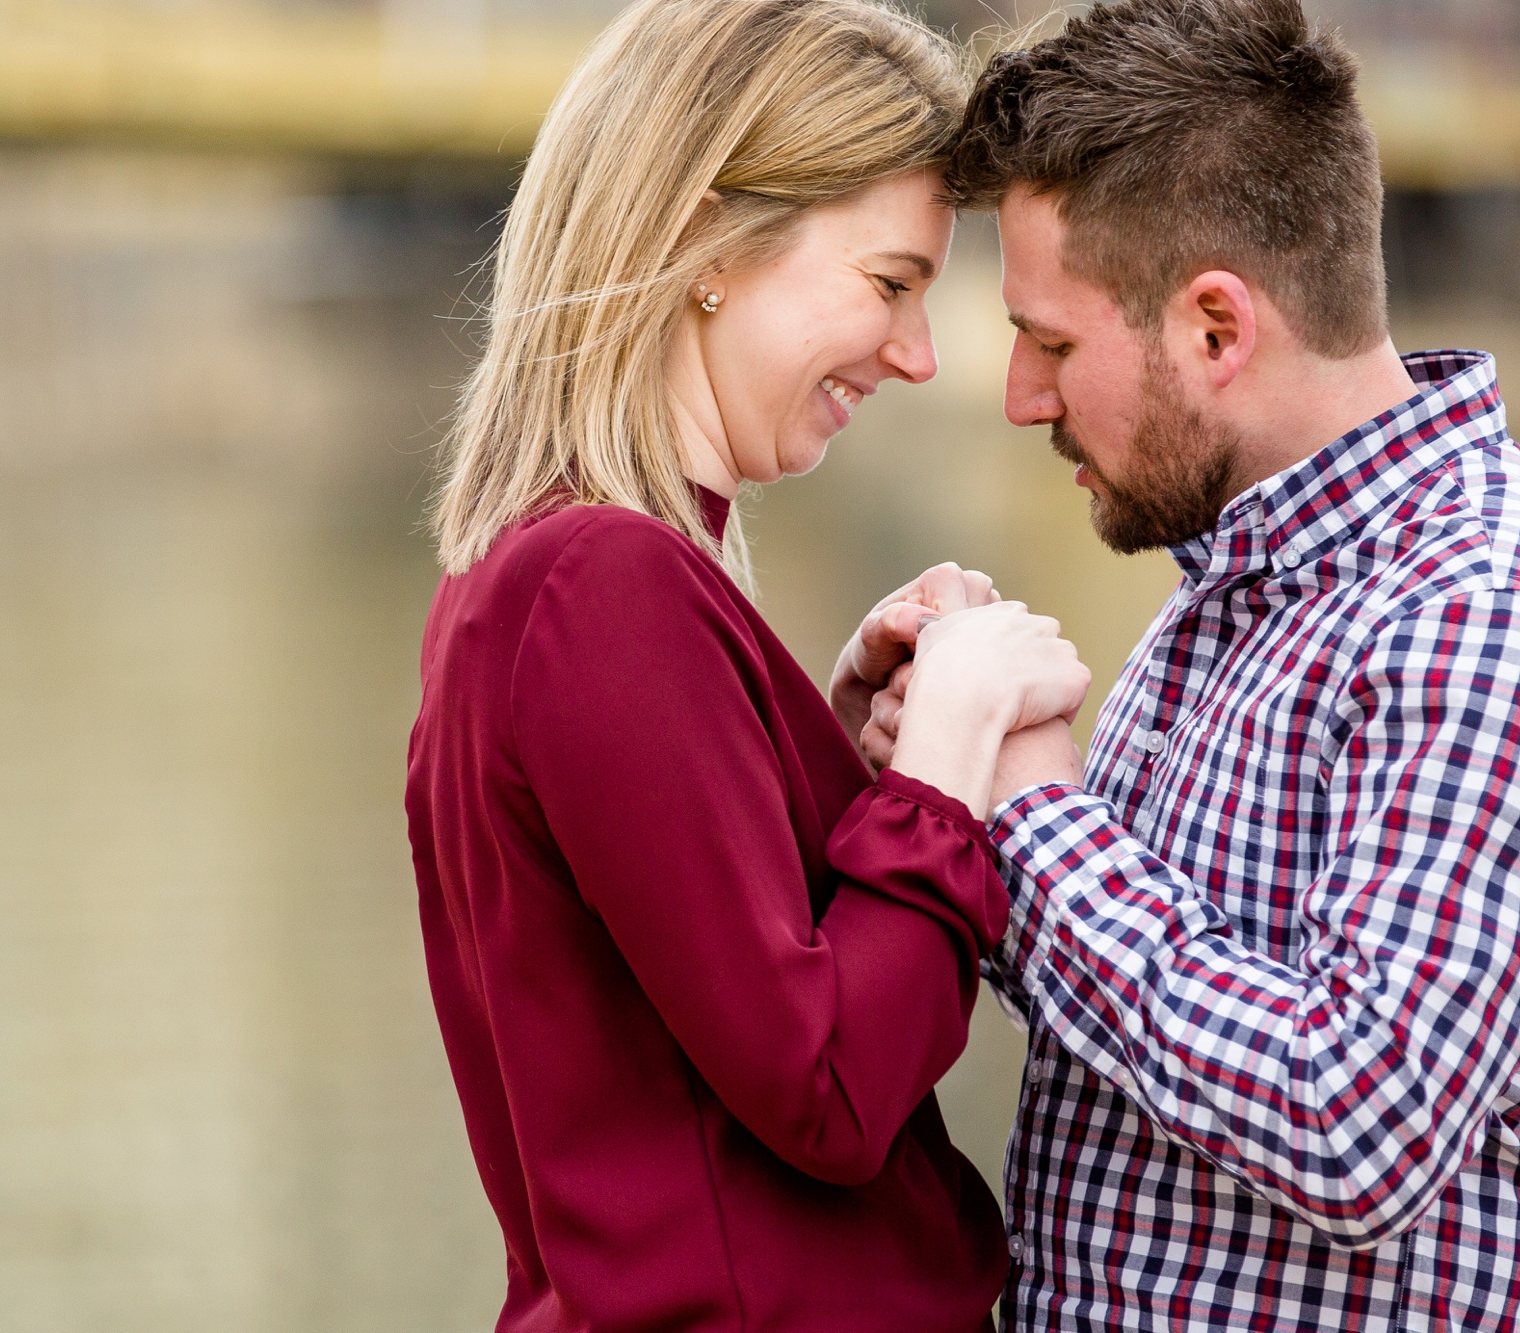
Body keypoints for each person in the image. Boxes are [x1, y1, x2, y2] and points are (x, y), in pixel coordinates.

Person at [858, 1, 1520, 1328]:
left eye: (1052, 343)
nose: (1022, 398)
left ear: (1216, 327)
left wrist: (1033, 812)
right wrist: (936, 779)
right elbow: (1142, 1020)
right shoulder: (1240, 582)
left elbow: (1352, 1122)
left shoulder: (1494, 612)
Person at [404, 2, 1089, 1328]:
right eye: (890, 283)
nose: (918, 354)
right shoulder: (601, 585)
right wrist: (947, 756)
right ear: (710, 240)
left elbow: (674, 1023)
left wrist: (834, 757)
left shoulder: (540, 578)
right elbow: (827, 1083)